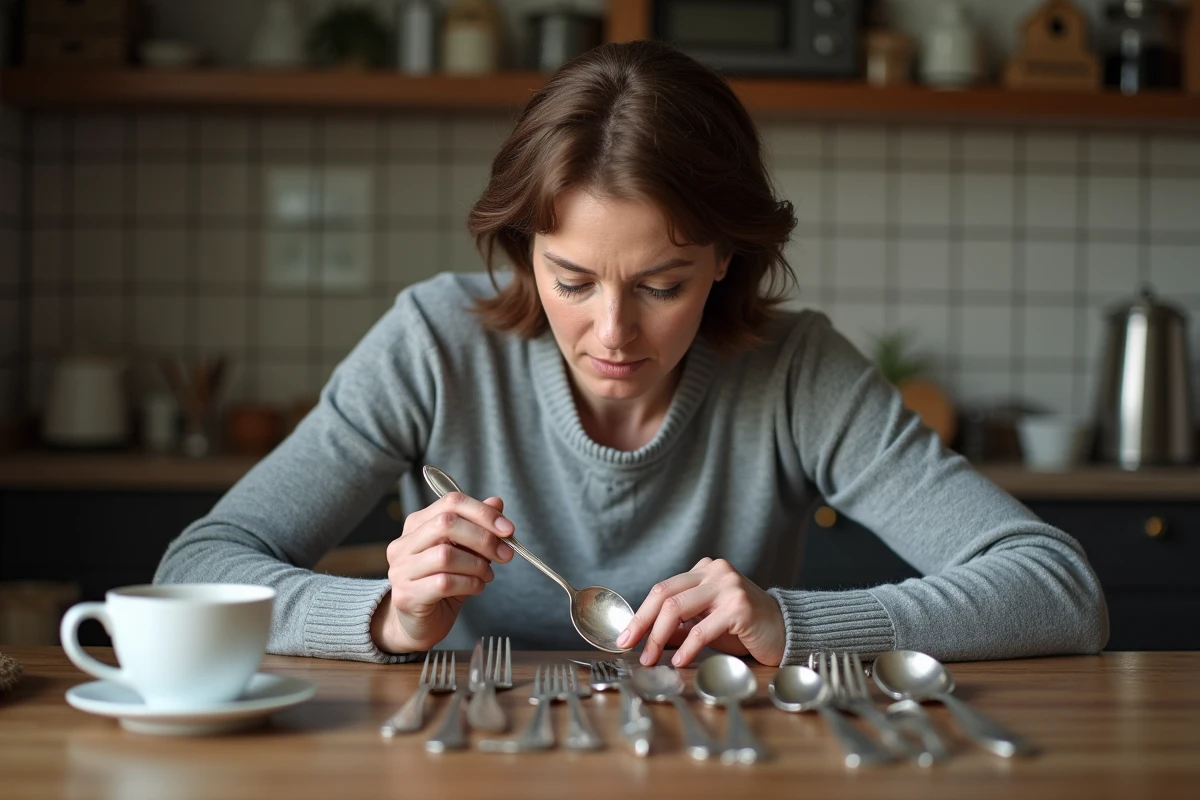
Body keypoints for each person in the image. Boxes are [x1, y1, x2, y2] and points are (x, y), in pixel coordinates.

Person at [155, 40, 1108, 668]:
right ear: (524, 245)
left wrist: (791, 624)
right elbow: (194, 569)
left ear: (727, 261)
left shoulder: (795, 370)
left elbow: (1059, 590)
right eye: (573, 280)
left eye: (662, 286)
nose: (613, 334)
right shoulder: (431, 343)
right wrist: (389, 617)